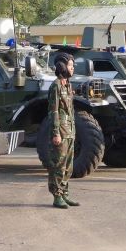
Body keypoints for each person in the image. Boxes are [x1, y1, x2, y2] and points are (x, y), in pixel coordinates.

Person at [47, 52, 79, 208]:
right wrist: (55, 133)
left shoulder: (68, 85)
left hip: (69, 130)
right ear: (61, 67)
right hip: (61, 131)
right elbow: (53, 111)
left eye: (73, 66)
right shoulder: (56, 86)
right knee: (58, 165)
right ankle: (57, 195)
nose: (72, 68)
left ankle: (65, 193)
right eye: (70, 65)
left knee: (68, 165)